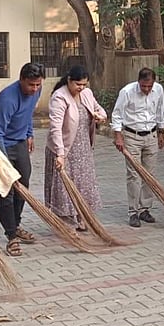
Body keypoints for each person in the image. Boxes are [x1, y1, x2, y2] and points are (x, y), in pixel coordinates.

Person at [0, 63, 45, 251]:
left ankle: (16, 224)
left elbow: (29, 114)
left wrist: (29, 134)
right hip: (0, 143)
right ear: (21, 80)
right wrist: (3, 162)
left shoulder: (37, 90)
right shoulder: (8, 99)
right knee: (6, 188)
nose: (34, 89)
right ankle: (11, 235)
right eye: (30, 85)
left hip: (19, 142)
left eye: (37, 84)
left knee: (23, 185)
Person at [44, 65, 108, 231]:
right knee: (63, 186)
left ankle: (82, 217)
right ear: (69, 80)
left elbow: (99, 109)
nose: (81, 88)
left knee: (83, 184)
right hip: (64, 147)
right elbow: (55, 128)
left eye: (84, 84)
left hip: (83, 147)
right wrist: (60, 154)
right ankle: (65, 223)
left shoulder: (87, 93)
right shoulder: (59, 97)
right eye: (78, 84)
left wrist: (100, 116)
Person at [111, 67, 164, 227]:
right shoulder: (127, 92)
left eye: (149, 86)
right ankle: (133, 212)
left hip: (151, 135)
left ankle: (145, 209)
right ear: (138, 81)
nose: (147, 89)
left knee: (149, 175)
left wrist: (161, 132)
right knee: (134, 175)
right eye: (143, 86)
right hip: (132, 136)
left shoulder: (158, 90)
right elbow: (117, 114)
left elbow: (160, 111)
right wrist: (118, 136)